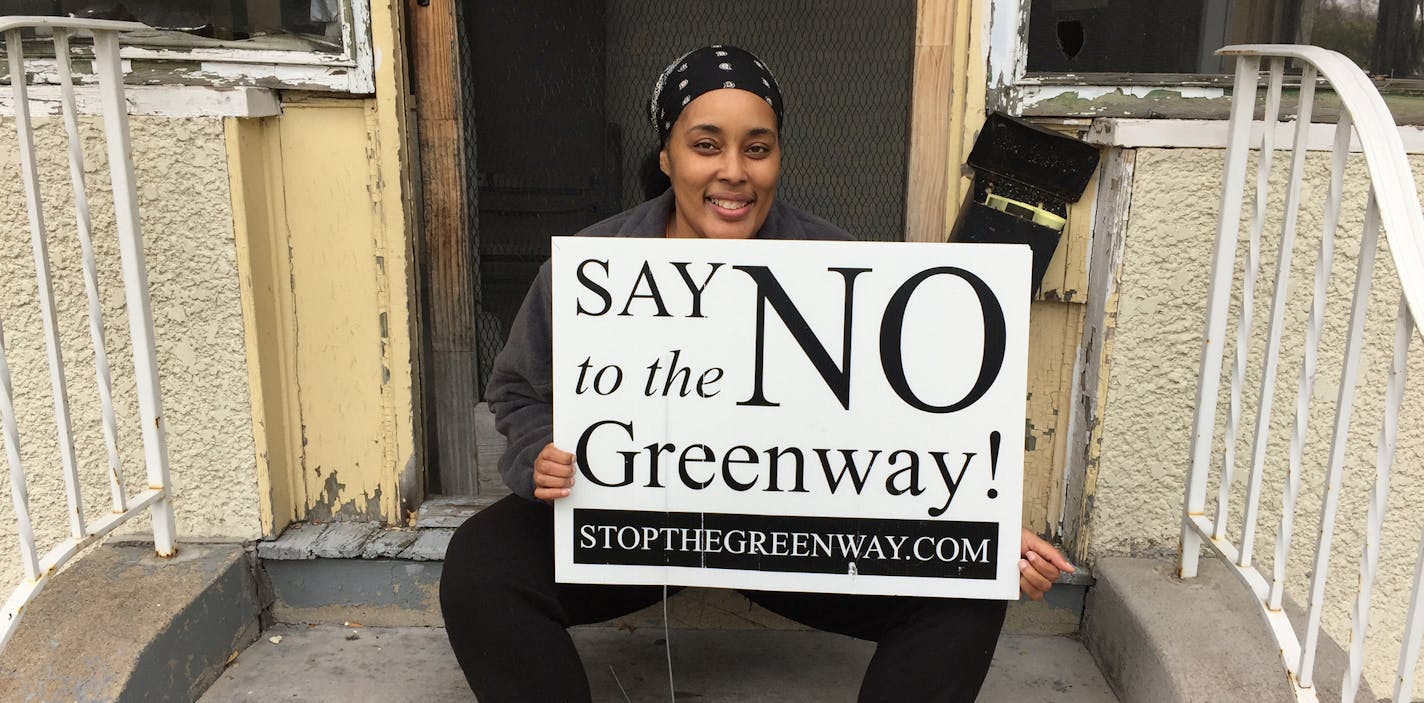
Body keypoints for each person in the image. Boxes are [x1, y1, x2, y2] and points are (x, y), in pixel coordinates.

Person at [439, 45, 1074, 702]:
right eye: (706, 145)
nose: (733, 171)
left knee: (965, 590)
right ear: (667, 156)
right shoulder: (595, 266)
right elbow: (515, 389)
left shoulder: (839, 265)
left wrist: (981, 528)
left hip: (790, 535)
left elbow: (912, 428)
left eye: (757, 148)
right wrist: (541, 447)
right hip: (630, 525)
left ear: (778, 158)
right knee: (480, 568)